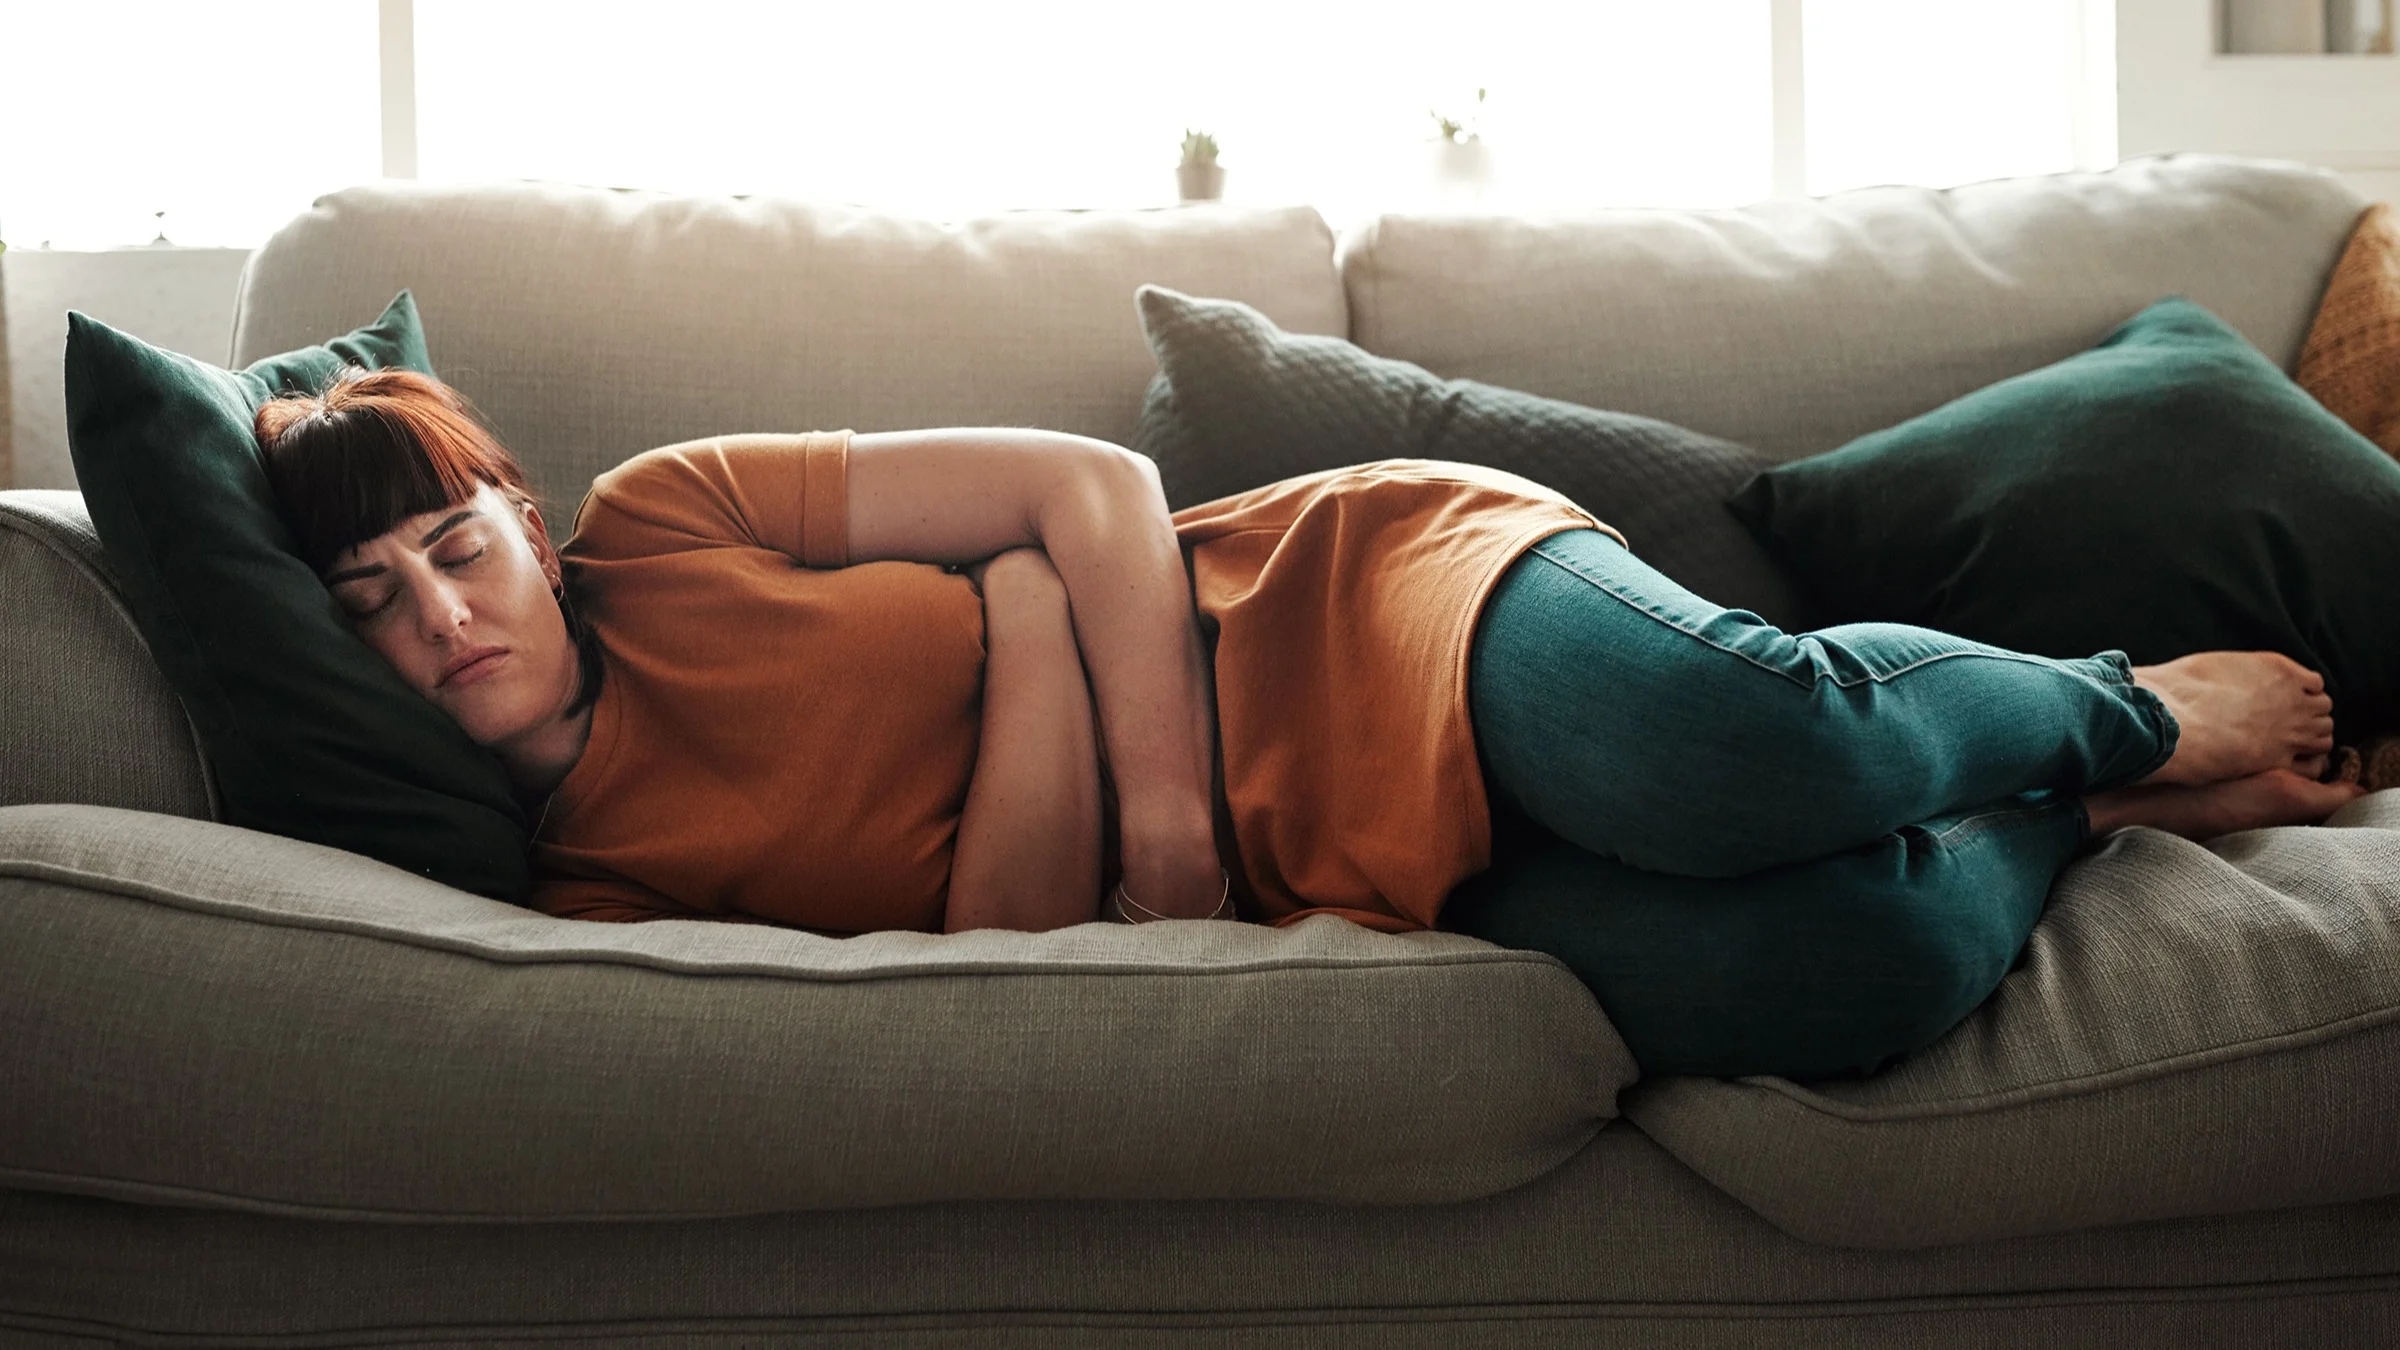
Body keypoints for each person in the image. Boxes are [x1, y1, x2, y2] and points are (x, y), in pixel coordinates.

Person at [254, 368, 2368, 1078]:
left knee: (1750, 750)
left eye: (455, 546)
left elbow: (1093, 493)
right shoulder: (591, 897)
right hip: (1335, 867)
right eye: (369, 604)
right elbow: (986, 952)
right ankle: (2072, 815)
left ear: (523, 518)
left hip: (1348, 604)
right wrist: (1015, 617)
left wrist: (1151, 803)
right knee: (1853, 959)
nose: (438, 616)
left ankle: (2119, 706)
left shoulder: (670, 520)